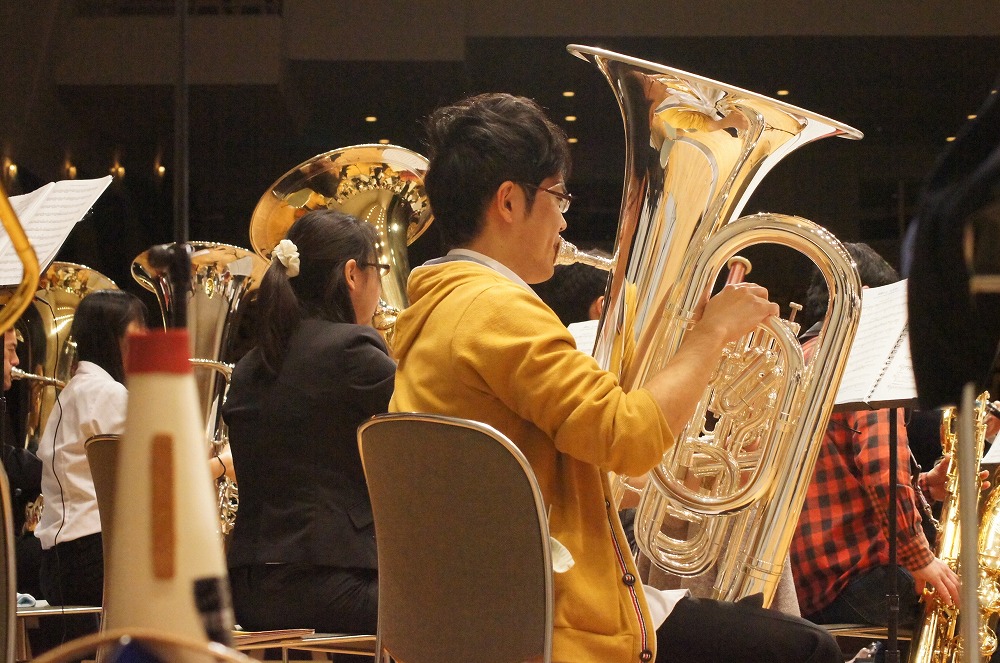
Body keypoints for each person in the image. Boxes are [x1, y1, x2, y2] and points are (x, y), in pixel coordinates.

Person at [389, 92, 842, 663]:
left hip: (496, 613)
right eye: (558, 196)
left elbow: (574, 468)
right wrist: (710, 336)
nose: (564, 218)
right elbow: (627, 437)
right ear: (508, 201)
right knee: (807, 648)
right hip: (556, 622)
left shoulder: (440, 310)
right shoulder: (497, 310)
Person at [222, 209, 394, 634]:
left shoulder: (249, 365)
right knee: (458, 607)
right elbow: (422, 432)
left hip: (249, 592)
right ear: (352, 274)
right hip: (330, 586)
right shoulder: (352, 349)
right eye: (379, 270)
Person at [791, 242, 959, 629]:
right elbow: (883, 472)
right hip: (858, 580)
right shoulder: (863, 362)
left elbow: (835, 484)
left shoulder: (795, 360)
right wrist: (921, 558)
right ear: (865, 299)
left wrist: (924, 485)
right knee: (980, 607)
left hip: (803, 588)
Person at [34, 290, 147, 633]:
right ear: (111, 339)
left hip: (58, 563)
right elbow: (153, 478)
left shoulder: (72, 392)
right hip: (94, 561)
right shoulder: (108, 393)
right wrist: (219, 463)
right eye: (136, 334)